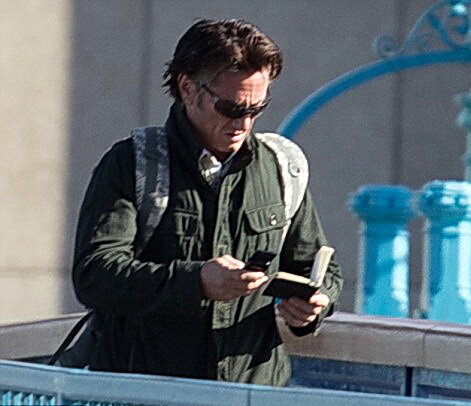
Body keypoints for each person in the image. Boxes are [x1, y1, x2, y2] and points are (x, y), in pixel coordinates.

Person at [71, 19, 342, 386]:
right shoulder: (131, 163)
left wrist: (314, 305)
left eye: (257, 108)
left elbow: (321, 267)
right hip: (148, 391)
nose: (244, 123)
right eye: (230, 108)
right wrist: (195, 281)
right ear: (187, 88)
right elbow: (94, 275)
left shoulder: (280, 167)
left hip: (254, 391)